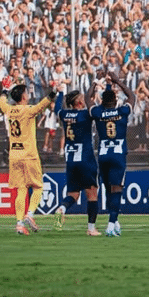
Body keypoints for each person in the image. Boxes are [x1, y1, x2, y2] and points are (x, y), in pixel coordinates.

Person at [0, 77, 56, 235]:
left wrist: (5, 90)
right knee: (38, 187)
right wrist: (54, 92)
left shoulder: (9, 110)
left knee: (21, 190)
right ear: (23, 96)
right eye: (26, 92)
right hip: (29, 154)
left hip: (14, 155)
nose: (28, 94)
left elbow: (2, 102)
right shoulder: (28, 110)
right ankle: (30, 215)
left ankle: (19, 224)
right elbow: (42, 105)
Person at [90, 73, 136, 237]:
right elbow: (132, 97)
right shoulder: (122, 111)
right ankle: (110, 224)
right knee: (117, 189)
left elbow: (90, 101)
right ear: (116, 101)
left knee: (108, 188)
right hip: (118, 154)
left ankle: (115, 221)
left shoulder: (98, 113)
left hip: (103, 154)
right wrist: (117, 81)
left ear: (101, 102)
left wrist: (97, 83)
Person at [53, 84, 101, 236]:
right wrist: (94, 88)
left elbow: (56, 109)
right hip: (85, 159)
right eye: (83, 99)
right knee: (92, 193)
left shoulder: (64, 115)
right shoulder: (85, 115)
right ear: (79, 103)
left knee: (73, 193)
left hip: (70, 160)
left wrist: (60, 93)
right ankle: (91, 228)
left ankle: (62, 208)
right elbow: (93, 106)